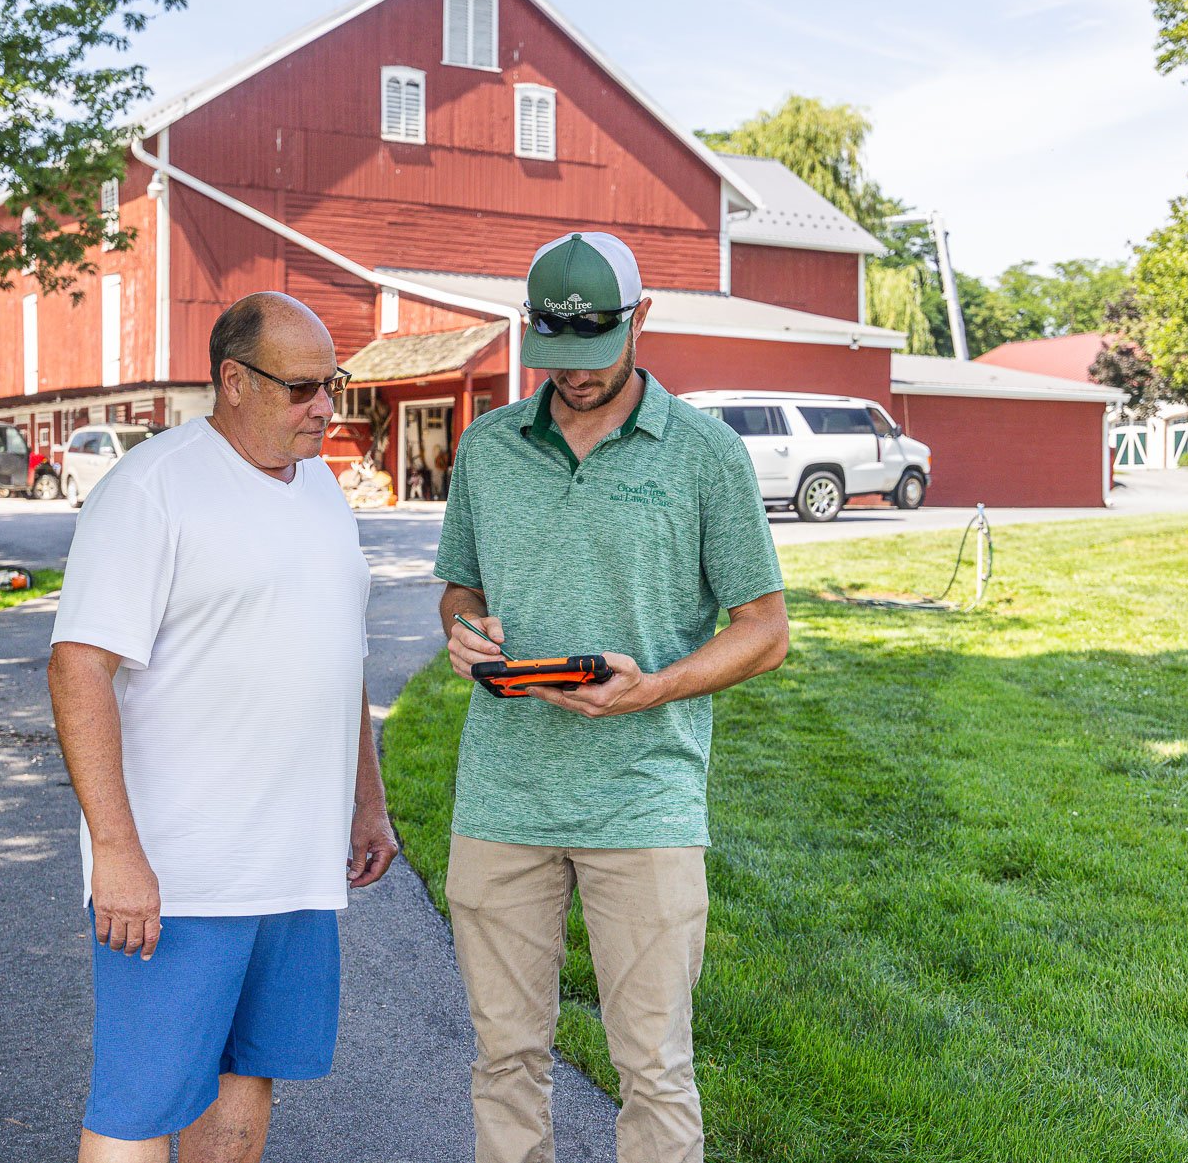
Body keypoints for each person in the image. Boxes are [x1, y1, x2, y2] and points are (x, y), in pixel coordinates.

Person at [434, 232, 791, 1163]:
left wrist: (658, 688)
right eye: (552, 355)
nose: (572, 376)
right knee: (505, 1055)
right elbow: (459, 585)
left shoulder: (706, 454)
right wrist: (464, 626)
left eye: (592, 354)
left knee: (655, 1065)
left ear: (641, 320)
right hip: (504, 795)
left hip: (645, 797)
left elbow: (765, 628)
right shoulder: (487, 447)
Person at [48, 291, 397, 1163]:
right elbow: (77, 668)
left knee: (248, 1073)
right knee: (139, 1101)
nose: (328, 406)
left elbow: (337, 658)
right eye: (304, 387)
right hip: (183, 873)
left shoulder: (320, 489)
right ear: (234, 381)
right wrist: (117, 850)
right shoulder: (152, 489)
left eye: (335, 382)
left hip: (294, 864)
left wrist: (367, 802)